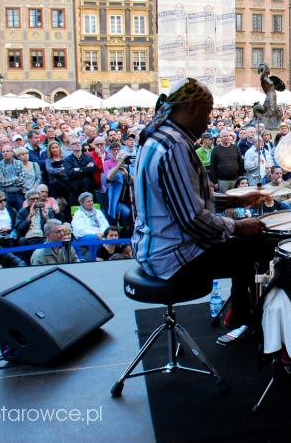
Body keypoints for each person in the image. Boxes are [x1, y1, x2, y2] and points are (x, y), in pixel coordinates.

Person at [132, 77, 267, 335]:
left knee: (244, 246)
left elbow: (177, 198)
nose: (208, 123)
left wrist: (233, 199)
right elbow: (192, 220)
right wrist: (239, 226)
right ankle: (245, 315)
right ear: (192, 108)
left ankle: (239, 312)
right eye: (207, 113)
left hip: (152, 246)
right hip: (171, 255)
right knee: (257, 247)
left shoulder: (156, 136)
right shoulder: (175, 147)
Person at [71, 192, 110, 262]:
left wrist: (102, 233)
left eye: (92, 201)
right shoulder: (78, 213)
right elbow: (80, 229)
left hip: (100, 234)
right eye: (88, 201)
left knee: (112, 235)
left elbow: (105, 224)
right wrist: (96, 234)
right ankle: (95, 260)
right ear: (82, 203)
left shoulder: (98, 211)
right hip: (84, 235)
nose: (91, 203)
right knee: (93, 238)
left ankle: (110, 258)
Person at [64, 136, 97, 206]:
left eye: (79, 143)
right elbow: (71, 173)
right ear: (70, 146)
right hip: (75, 194)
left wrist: (79, 169)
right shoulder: (67, 160)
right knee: (76, 215)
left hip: (89, 192)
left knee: (93, 215)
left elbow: (93, 169)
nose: (77, 144)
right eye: (74, 143)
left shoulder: (89, 158)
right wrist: (86, 169)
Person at [0, 144, 25, 210]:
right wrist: (15, 178)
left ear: (12, 153)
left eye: (7, 151)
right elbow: (1, 182)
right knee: (9, 215)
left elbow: (22, 180)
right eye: (3, 152)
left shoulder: (19, 163)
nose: (5, 153)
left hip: (18, 193)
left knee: (21, 213)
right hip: (4, 195)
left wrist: (7, 181)